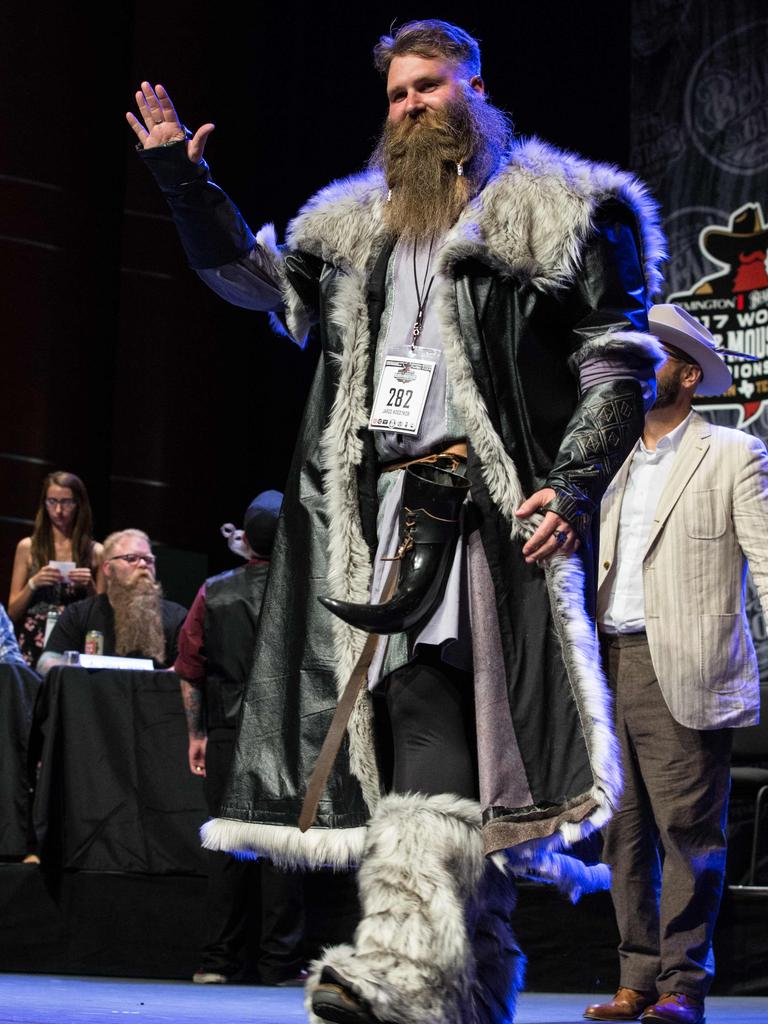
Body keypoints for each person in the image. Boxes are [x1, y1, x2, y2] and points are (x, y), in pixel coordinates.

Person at [128, 20, 665, 1024]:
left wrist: (572, 480)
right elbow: (255, 282)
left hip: (494, 520)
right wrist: (183, 186)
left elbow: (615, 359)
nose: (410, 106)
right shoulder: (354, 231)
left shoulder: (561, 213)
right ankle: (460, 984)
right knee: (434, 739)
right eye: (397, 93)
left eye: (429, 87)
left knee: (460, 741)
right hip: (380, 523)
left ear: (474, 89)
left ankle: (406, 963)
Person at [584, 304, 768, 1024]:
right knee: (621, 834)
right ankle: (636, 977)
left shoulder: (732, 453)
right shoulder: (612, 454)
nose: (636, 367)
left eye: (651, 356)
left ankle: (682, 985)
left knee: (688, 832)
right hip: (607, 658)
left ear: (688, 374)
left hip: (684, 663)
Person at [175, 491, 309, 986]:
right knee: (283, 848)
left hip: (229, 732)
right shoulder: (304, 589)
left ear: (246, 541)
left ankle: (218, 962)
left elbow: (189, 667)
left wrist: (197, 735)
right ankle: (280, 963)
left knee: (228, 848)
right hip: (287, 733)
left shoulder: (214, 591)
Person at [39, 528, 186, 673]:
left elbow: (190, 665)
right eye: (131, 558)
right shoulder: (78, 614)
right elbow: (47, 662)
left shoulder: (177, 617)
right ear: (108, 568)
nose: (143, 564)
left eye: (148, 559)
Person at [8, 471, 103, 669]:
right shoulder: (28, 547)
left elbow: (103, 616)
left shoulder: (95, 551)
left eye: (66, 502)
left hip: (73, 639)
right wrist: (33, 583)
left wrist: (90, 586)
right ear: (44, 503)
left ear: (78, 504)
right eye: (52, 501)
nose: (58, 510)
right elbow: (12, 612)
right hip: (35, 638)